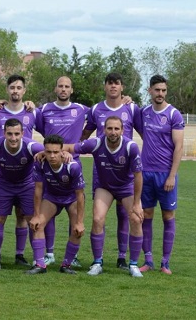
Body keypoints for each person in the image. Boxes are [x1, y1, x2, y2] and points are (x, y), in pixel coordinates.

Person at [66, 116, 144, 277]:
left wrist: (136, 203)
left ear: (122, 130)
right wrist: (56, 151)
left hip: (126, 187)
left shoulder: (131, 147)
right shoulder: (95, 143)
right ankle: (97, 262)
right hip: (105, 187)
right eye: (109, 128)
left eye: (116, 129)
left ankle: (134, 264)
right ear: (103, 130)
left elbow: (138, 176)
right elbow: (71, 147)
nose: (113, 132)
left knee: (136, 219)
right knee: (97, 219)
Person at [80, 72, 142, 270]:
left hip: (126, 173)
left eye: (117, 84)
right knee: (99, 217)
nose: (113, 87)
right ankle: (98, 261)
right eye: (110, 83)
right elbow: (85, 133)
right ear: (105, 86)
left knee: (126, 216)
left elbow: (145, 133)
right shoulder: (96, 109)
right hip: (103, 171)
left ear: (122, 87)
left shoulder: (131, 108)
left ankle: (123, 258)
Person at [34, 76, 89, 267]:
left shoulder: (81, 109)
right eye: (60, 86)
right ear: (55, 88)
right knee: (47, 212)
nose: (63, 89)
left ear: (71, 90)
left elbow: (101, 115)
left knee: (75, 220)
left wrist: (126, 100)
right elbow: (34, 125)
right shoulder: (44, 110)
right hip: (49, 161)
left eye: (67, 86)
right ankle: (48, 254)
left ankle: (70, 258)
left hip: (71, 164)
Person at [0, 118, 45, 270]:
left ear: (23, 133)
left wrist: (62, 155)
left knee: (31, 219)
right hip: (3, 184)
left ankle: (38, 260)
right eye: (10, 134)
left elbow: (51, 153)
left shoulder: (31, 146)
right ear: (4, 133)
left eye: (17, 134)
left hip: (26, 185)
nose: (13, 138)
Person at [139, 75, 185, 275]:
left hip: (165, 173)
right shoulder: (143, 113)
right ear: (149, 91)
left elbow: (179, 147)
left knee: (168, 216)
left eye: (163, 90)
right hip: (145, 172)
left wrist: (172, 175)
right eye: (157, 90)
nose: (160, 94)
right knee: (146, 215)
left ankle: (165, 262)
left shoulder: (174, 114)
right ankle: (148, 260)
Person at [0, 75, 37, 266]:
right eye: (12, 88)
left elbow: (45, 133)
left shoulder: (33, 112)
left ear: (24, 91)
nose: (15, 91)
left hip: (26, 174)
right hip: (2, 173)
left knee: (24, 216)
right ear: (7, 90)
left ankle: (20, 255)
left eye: (19, 88)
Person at [26, 134, 86, 274]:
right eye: (48, 152)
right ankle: (40, 265)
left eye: (55, 152)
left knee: (77, 230)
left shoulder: (73, 167)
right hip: (52, 197)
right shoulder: (40, 162)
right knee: (37, 224)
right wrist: (35, 215)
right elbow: (38, 190)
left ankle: (66, 265)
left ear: (62, 152)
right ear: (44, 152)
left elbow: (80, 195)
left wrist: (80, 222)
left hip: (71, 199)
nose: (52, 155)